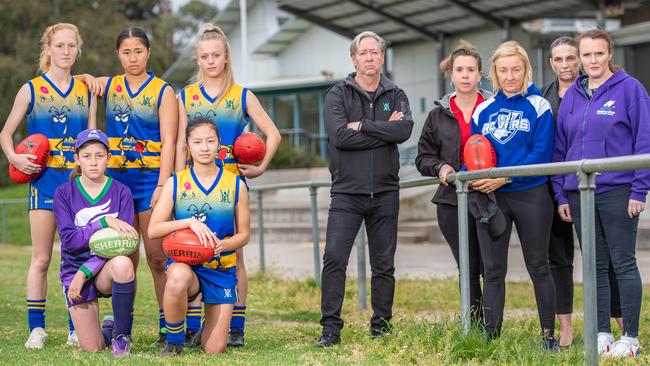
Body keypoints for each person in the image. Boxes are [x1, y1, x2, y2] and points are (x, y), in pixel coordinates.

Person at [174, 23, 281, 347]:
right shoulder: (185, 97)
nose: (210, 61)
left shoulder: (241, 95)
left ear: (225, 58)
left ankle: (236, 327)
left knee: (235, 257)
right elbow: (180, 144)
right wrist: (176, 184)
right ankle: (193, 327)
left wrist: (260, 166)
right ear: (198, 59)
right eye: (204, 56)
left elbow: (273, 133)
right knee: (191, 254)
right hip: (192, 186)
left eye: (216, 55)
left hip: (229, 185)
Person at [552, 29, 650, 357]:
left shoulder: (630, 89)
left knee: (622, 261)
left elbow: (644, 142)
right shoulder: (573, 97)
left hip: (618, 190)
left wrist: (640, 188)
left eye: (599, 53)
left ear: (609, 54)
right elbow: (560, 149)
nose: (592, 60)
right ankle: (602, 333)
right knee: (593, 265)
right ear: (579, 59)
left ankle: (631, 338)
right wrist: (562, 194)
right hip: (580, 192)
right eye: (586, 55)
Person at [79, 27, 178, 344]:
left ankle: (167, 326)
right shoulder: (110, 86)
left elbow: (170, 142)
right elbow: (81, 81)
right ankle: (123, 327)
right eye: (126, 52)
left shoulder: (162, 91)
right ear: (118, 55)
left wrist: (163, 184)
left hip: (150, 183)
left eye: (138, 51)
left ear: (148, 52)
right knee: (124, 257)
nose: (132, 57)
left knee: (157, 257)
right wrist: (87, 77)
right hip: (118, 186)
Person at [0, 23, 96, 349]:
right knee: (41, 259)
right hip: (42, 184)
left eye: (72, 46)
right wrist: (15, 158)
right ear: (48, 49)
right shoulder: (31, 89)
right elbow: (5, 133)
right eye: (60, 46)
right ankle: (36, 329)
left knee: (76, 255)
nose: (66, 52)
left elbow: (92, 138)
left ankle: (75, 327)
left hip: (76, 187)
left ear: (77, 50)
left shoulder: (86, 90)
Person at [316, 31, 414, 347]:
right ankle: (330, 329)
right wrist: (386, 131)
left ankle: (381, 327)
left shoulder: (396, 94)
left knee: (384, 265)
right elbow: (340, 138)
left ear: (382, 57)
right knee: (334, 259)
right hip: (347, 193)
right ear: (354, 58)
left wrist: (363, 126)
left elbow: (404, 130)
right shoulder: (337, 95)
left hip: (386, 192)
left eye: (375, 52)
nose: (370, 57)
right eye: (364, 52)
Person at [471, 41, 558, 351]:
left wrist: (504, 177)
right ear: (494, 72)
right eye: (503, 70)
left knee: (539, 265)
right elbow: (473, 150)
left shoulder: (539, 105)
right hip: (493, 200)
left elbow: (541, 153)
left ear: (526, 70)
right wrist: (482, 179)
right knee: (493, 271)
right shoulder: (483, 109)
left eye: (515, 70)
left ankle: (548, 336)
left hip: (530, 194)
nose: (509, 76)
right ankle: (491, 339)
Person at [542, 36, 623, 348]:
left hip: (596, 187)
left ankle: (620, 323)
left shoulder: (594, 90)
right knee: (559, 259)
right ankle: (566, 328)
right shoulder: (543, 96)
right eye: (558, 60)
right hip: (557, 189)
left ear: (581, 59)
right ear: (550, 63)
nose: (565, 65)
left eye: (570, 58)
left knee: (605, 256)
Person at [148, 118, 250, 356]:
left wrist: (221, 245)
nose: (204, 147)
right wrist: (188, 222)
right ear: (187, 146)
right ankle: (174, 342)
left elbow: (244, 234)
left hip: (220, 268)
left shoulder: (236, 185)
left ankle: (207, 327)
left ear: (219, 145)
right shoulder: (175, 183)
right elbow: (154, 229)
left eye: (210, 141)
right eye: (198, 142)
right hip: (188, 265)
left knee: (214, 349)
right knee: (176, 277)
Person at [416, 40, 490, 326]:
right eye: (460, 69)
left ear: (480, 73)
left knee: (490, 266)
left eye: (471, 69)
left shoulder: (495, 108)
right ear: (452, 74)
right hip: (452, 201)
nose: (465, 75)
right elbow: (423, 157)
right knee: (468, 267)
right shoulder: (438, 115)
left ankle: (493, 327)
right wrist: (440, 166)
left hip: (491, 197)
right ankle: (474, 325)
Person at [53, 129, 138, 356]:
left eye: (100, 155)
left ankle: (121, 337)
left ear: (108, 158)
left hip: (102, 271)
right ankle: (108, 329)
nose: (93, 162)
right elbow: (70, 242)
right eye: (87, 156)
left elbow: (124, 242)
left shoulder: (122, 192)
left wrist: (84, 273)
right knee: (92, 347)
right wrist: (104, 222)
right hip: (73, 270)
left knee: (123, 263)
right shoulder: (63, 193)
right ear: (76, 158)